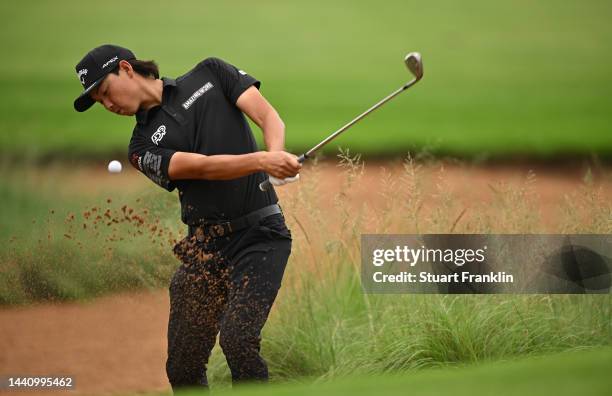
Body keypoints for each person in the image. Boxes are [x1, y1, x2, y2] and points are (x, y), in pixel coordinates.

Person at [73, 44, 301, 392]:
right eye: (100, 103)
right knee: (182, 366)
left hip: (260, 237)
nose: (108, 104)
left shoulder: (211, 73)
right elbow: (202, 168)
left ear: (126, 68)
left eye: (105, 91)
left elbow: (270, 118)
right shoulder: (141, 148)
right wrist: (261, 162)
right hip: (204, 252)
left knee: (238, 341)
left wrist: (276, 155)